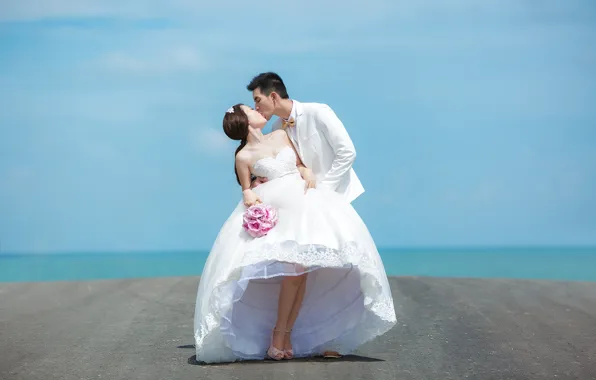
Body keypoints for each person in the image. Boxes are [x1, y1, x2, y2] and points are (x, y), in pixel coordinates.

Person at [192, 104, 397, 363]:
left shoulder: (280, 135)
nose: (259, 111)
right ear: (245, 122)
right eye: (251, 111)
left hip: (306, 208)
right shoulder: (243, 157)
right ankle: (278, 335)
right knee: (294, 270)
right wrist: (251, 195)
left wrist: (305, 170)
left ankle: (286, 335)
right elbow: (247, 191)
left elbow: (299, 163)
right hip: (281, 217)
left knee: (302, 271)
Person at [246, 72, 364, 203]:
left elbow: (347, 152)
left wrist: (325, 190)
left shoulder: (318, 112)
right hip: (306, 201)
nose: (256, 107)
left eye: (258, 100)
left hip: (341, 196)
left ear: (273, 96)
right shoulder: (277, 128)